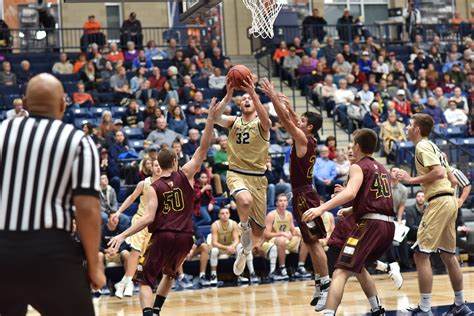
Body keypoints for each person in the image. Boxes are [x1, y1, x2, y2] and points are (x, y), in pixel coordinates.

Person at [0, 73, 105, 315]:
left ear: (25, 103)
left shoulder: (2, 132)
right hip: (51, 253)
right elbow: (87, 209)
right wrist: (93, 265)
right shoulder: (77, 140)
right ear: (62, 105)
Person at [108, 98, 221, 316]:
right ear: (177, 161)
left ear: (159, 163)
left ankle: (149, 312)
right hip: (186, 237)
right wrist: (209, 120)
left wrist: (122, 235)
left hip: (164, 236)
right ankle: (157, 310)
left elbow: (148, 218)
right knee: (170, 275)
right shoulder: (187, 175)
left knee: (144, 281)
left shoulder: (153, 186)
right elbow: (204, 147)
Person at [302, 129, 395, 315]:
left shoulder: (357, 166)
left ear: (358, 146)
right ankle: (378, 309)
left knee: (340, 271)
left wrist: (321, 208)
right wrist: (352, 209)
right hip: (387, 225)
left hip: (371, 225)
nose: (351, 147)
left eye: (352, 144)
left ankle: (329, 313)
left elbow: (351, 192)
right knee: (357, 267)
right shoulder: (381, 168)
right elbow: (378, 199)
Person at [259, 79, 330, 310]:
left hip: (304, 195)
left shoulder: (302, 139)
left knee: (314, 243)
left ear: (308, 127)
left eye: (303, 121)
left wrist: (272, 98)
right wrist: (288, 106)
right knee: (310, 243)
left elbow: (288, 122)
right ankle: (320, 283)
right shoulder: (309, 138)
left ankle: (326, 287)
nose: (298, 121)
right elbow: (293, 119)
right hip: (301, 193)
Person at [396, 113, 472, 314]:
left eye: (410, 125)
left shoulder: (422, 146)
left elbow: (438, 173)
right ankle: (460, 304)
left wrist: (410, 179)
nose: (407, 128)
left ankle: (425, 308)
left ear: (417, 129)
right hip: (448, 200)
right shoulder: (435, 147)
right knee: (448, 255)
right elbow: (453, 180)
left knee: (420, 254)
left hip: (439, 201)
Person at [213, 77, 271, 277]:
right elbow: (216, 117)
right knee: (244, 200)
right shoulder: (233, 122)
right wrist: (228, 94)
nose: (246, 99)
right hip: (237, 173)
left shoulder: (261, 124)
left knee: (259, 235)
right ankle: (243, 225)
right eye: (243, 98)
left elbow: (267, 121)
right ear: (239, 104)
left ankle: (245, 252)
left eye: (249, 99)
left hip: (258, 177)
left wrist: (253, 93)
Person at [110, 159, 162, 299]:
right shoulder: (144, 183)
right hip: (140, 220)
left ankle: (124, 282)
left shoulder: (166, 184)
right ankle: (127, 283)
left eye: (160, 165)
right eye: (155, 165)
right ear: (151, 168)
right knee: (136, 251)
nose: (157, 168)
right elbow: (131, 198)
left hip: (154, 224)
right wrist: (118, 212)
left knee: (143, 257)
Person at [261, 194, 312, 280]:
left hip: (286, 239)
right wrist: (281, 234)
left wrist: (300, 232)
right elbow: (266, 234)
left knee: (305, 238)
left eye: (284, 201)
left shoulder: (289, 214)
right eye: (280, 201)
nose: (283, 203)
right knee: (281, 240)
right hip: (273, 240)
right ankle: (282, 268)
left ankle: (300, 267)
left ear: (287, 203)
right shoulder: (271, 215)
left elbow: (293, 230)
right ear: (277, 203)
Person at [210, 208, 258, 284]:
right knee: (214, 250)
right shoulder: (215, 225)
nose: (225, 215)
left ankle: (249, 273)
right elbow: (214, 243)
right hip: (220, 248)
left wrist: (232, 246)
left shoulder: (233, 224)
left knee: (243, 248)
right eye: (222, 213)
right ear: (219, 215)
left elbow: (236, 240)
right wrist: (227, 248)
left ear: (229, 214)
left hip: (231, 247)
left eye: (226, 213)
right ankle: (213, 276)